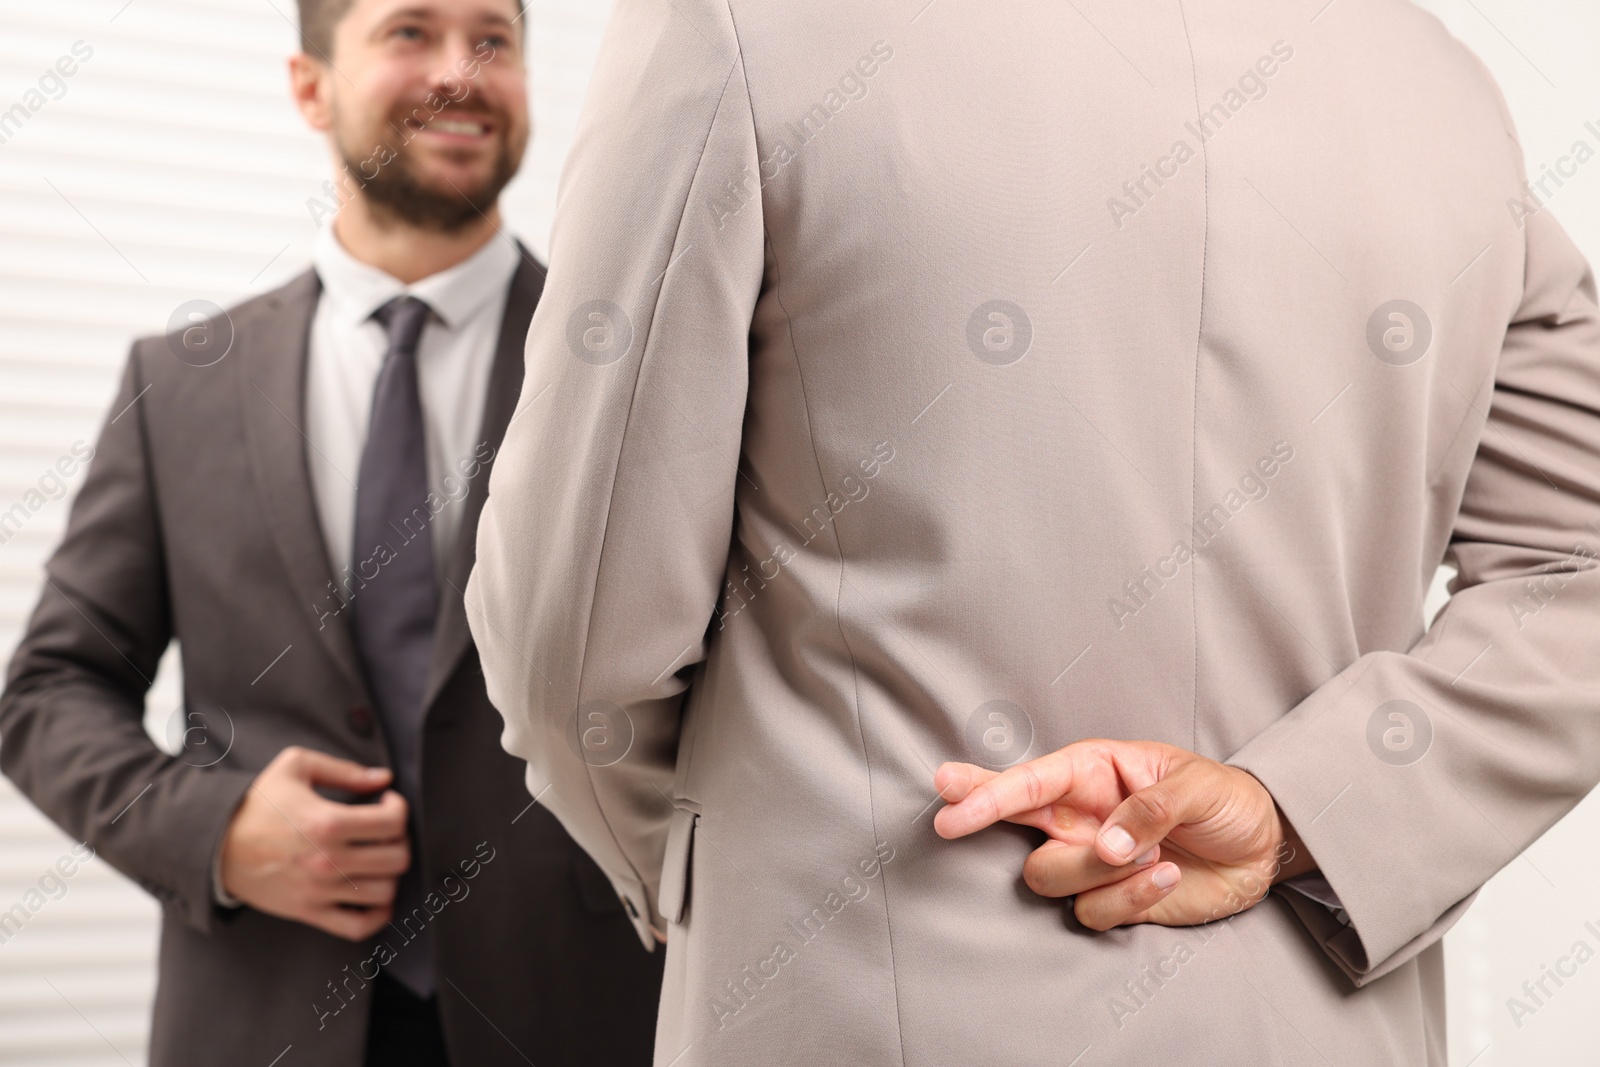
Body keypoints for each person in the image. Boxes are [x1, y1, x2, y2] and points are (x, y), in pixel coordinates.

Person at [465, 0, 1600, 1064]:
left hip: (858, 1000)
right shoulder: (1436, 87)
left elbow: (572, 648)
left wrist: (700, 866)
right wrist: (1299, 813)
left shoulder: (740, 26)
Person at [0, 1, 663, 1064]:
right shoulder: (178, 386)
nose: (462, 72)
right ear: (310, 86)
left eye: (494, 38)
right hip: (261, 1011)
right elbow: (49, 692)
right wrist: (211, 830)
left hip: (578, 1010)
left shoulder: (631, 364)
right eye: (410, 32)